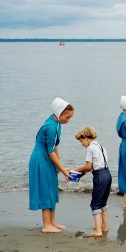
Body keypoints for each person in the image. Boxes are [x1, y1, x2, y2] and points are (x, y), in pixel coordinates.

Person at [29, 98, 74, 233]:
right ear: (59, 113)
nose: (68, 120)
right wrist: (61, 169)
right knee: (46, 189)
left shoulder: (57, 123)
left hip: (47, 157)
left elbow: (55, 147)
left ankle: (52, 221)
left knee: (52, 187)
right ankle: (46, 225)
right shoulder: (50, 127)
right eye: (67, 117)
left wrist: (59, 165)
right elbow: (50, 152)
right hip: (41, 159)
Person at [74, 127, 112, 238]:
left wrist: (75, 170)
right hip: (107, 174)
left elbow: (88, 166)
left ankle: (98, 230)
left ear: (85, 137)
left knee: (95, 203)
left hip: (99, 176)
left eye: (81, 141)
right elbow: (92, 167)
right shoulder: (101, 147)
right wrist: (80, 175)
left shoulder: (90, 148)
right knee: (103, 202)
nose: (82, 144)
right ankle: (105, 226)